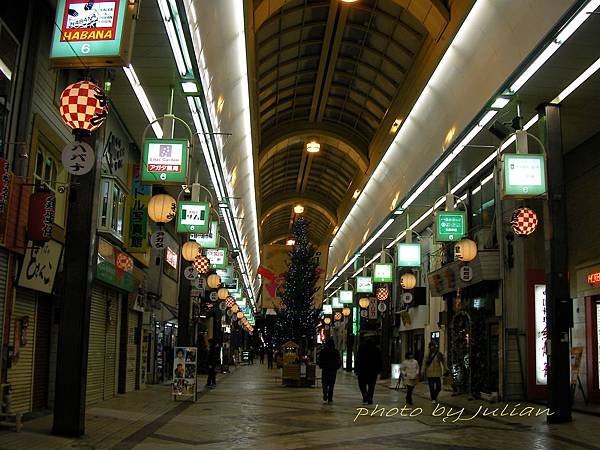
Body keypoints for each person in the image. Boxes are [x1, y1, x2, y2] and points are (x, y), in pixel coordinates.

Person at [355, 338, 382, 405]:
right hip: (373, 371)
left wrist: (356, 369)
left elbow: (358, 359)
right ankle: (370, 398)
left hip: (362, 370)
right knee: (371, 386)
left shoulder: (362, 349)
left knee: (361, 384)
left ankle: (365, 395)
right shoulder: (376, 349)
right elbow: (379, 360)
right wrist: (379, 369)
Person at [318, 339, 342, 404]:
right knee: (331, 383)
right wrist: (337, 367)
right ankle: (330, 397)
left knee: (325, 382)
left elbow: (320, 360)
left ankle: (325, 392)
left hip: (325, 369)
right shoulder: (336, 351)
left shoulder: (323, 351)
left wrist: (321, 366)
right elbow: (339, 360)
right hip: (333, 370)